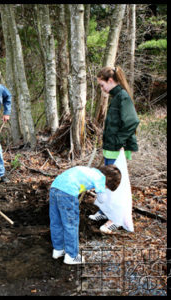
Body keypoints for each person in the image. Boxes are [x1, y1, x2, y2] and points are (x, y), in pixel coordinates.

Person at [89, 66, 140, 234]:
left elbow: (132, 121)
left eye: (102, 85)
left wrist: (118, 141)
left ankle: (115, 219)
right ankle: (105, 211)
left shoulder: (122, 97)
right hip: (110, 148)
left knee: (115, 184)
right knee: (107, 181)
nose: (102, 89)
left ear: (110, 81)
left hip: (116, 149)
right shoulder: (116, 96)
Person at [49, 165, 121, 265]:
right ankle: (71, 256)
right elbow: (102, 199)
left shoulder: (90, 171)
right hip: (68, 193)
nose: (105, 188)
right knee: (71, 224)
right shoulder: (101, 178)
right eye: (107, 187)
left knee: (56, 221)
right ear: (107, 180)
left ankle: (58, 250)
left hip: (54, 188)